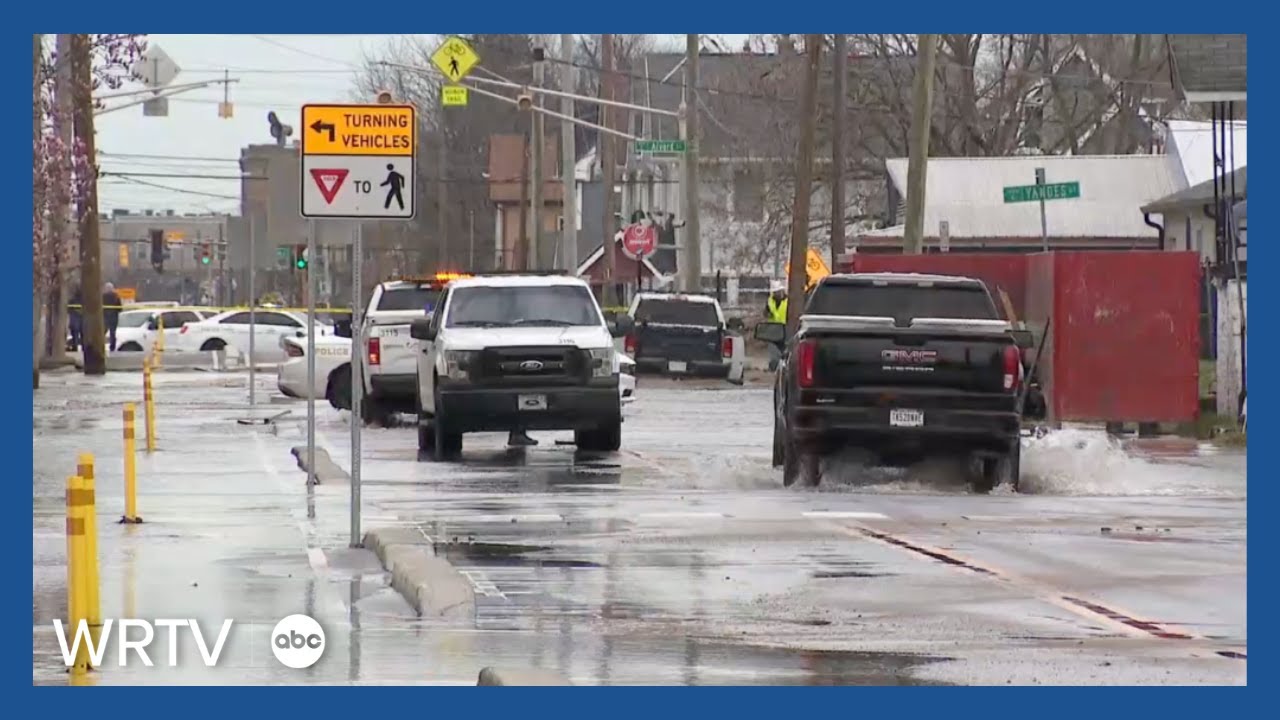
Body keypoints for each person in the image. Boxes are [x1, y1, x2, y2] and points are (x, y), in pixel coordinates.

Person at [764, 281, 788, 371]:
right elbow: (766, 312)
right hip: (773, 330)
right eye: (775, 292)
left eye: (778, 292)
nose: (777, 294)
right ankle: (774, 367)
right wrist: (767, 314)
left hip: (785, 330)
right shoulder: (770, 301)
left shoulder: (788, 301)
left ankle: (784, 368)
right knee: (773, 352)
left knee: (785, 351)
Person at [102, 282, 122, 352]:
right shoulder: (116, 296)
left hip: (105, 317)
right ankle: (112, 347)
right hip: (114, 317)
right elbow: (120, 308)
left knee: (102, 332)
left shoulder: (102, 297)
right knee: (112, 333)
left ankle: (100, 346)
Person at [66, 287, 83, 352]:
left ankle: (75, 346)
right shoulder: (85, 300)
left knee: (75, 333)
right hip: (81, 319)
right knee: (82, 334)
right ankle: (82, 347)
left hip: (75, 319)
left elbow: (68, 310)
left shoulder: (72, 300)